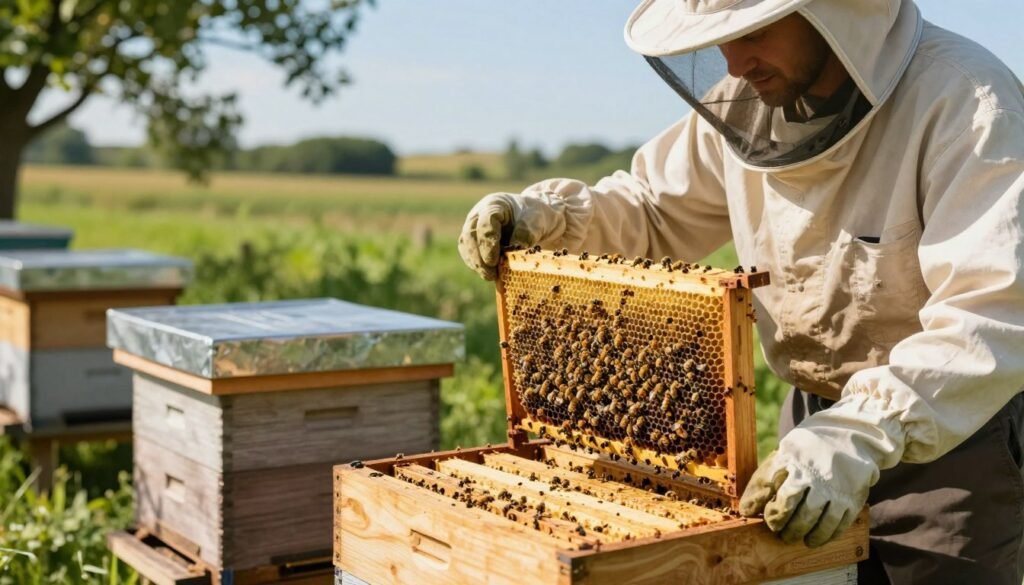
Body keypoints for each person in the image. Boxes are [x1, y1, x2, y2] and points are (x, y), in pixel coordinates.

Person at [457, 1, 1024, 583]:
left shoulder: (968, 102)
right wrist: (545, 218)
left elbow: (991, 314)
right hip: (807, 426)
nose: (733, 61)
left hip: (949, 440)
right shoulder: (752, 103)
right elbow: (653, 210)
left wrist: (859, 431)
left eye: (751, 31)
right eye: (719, 37)